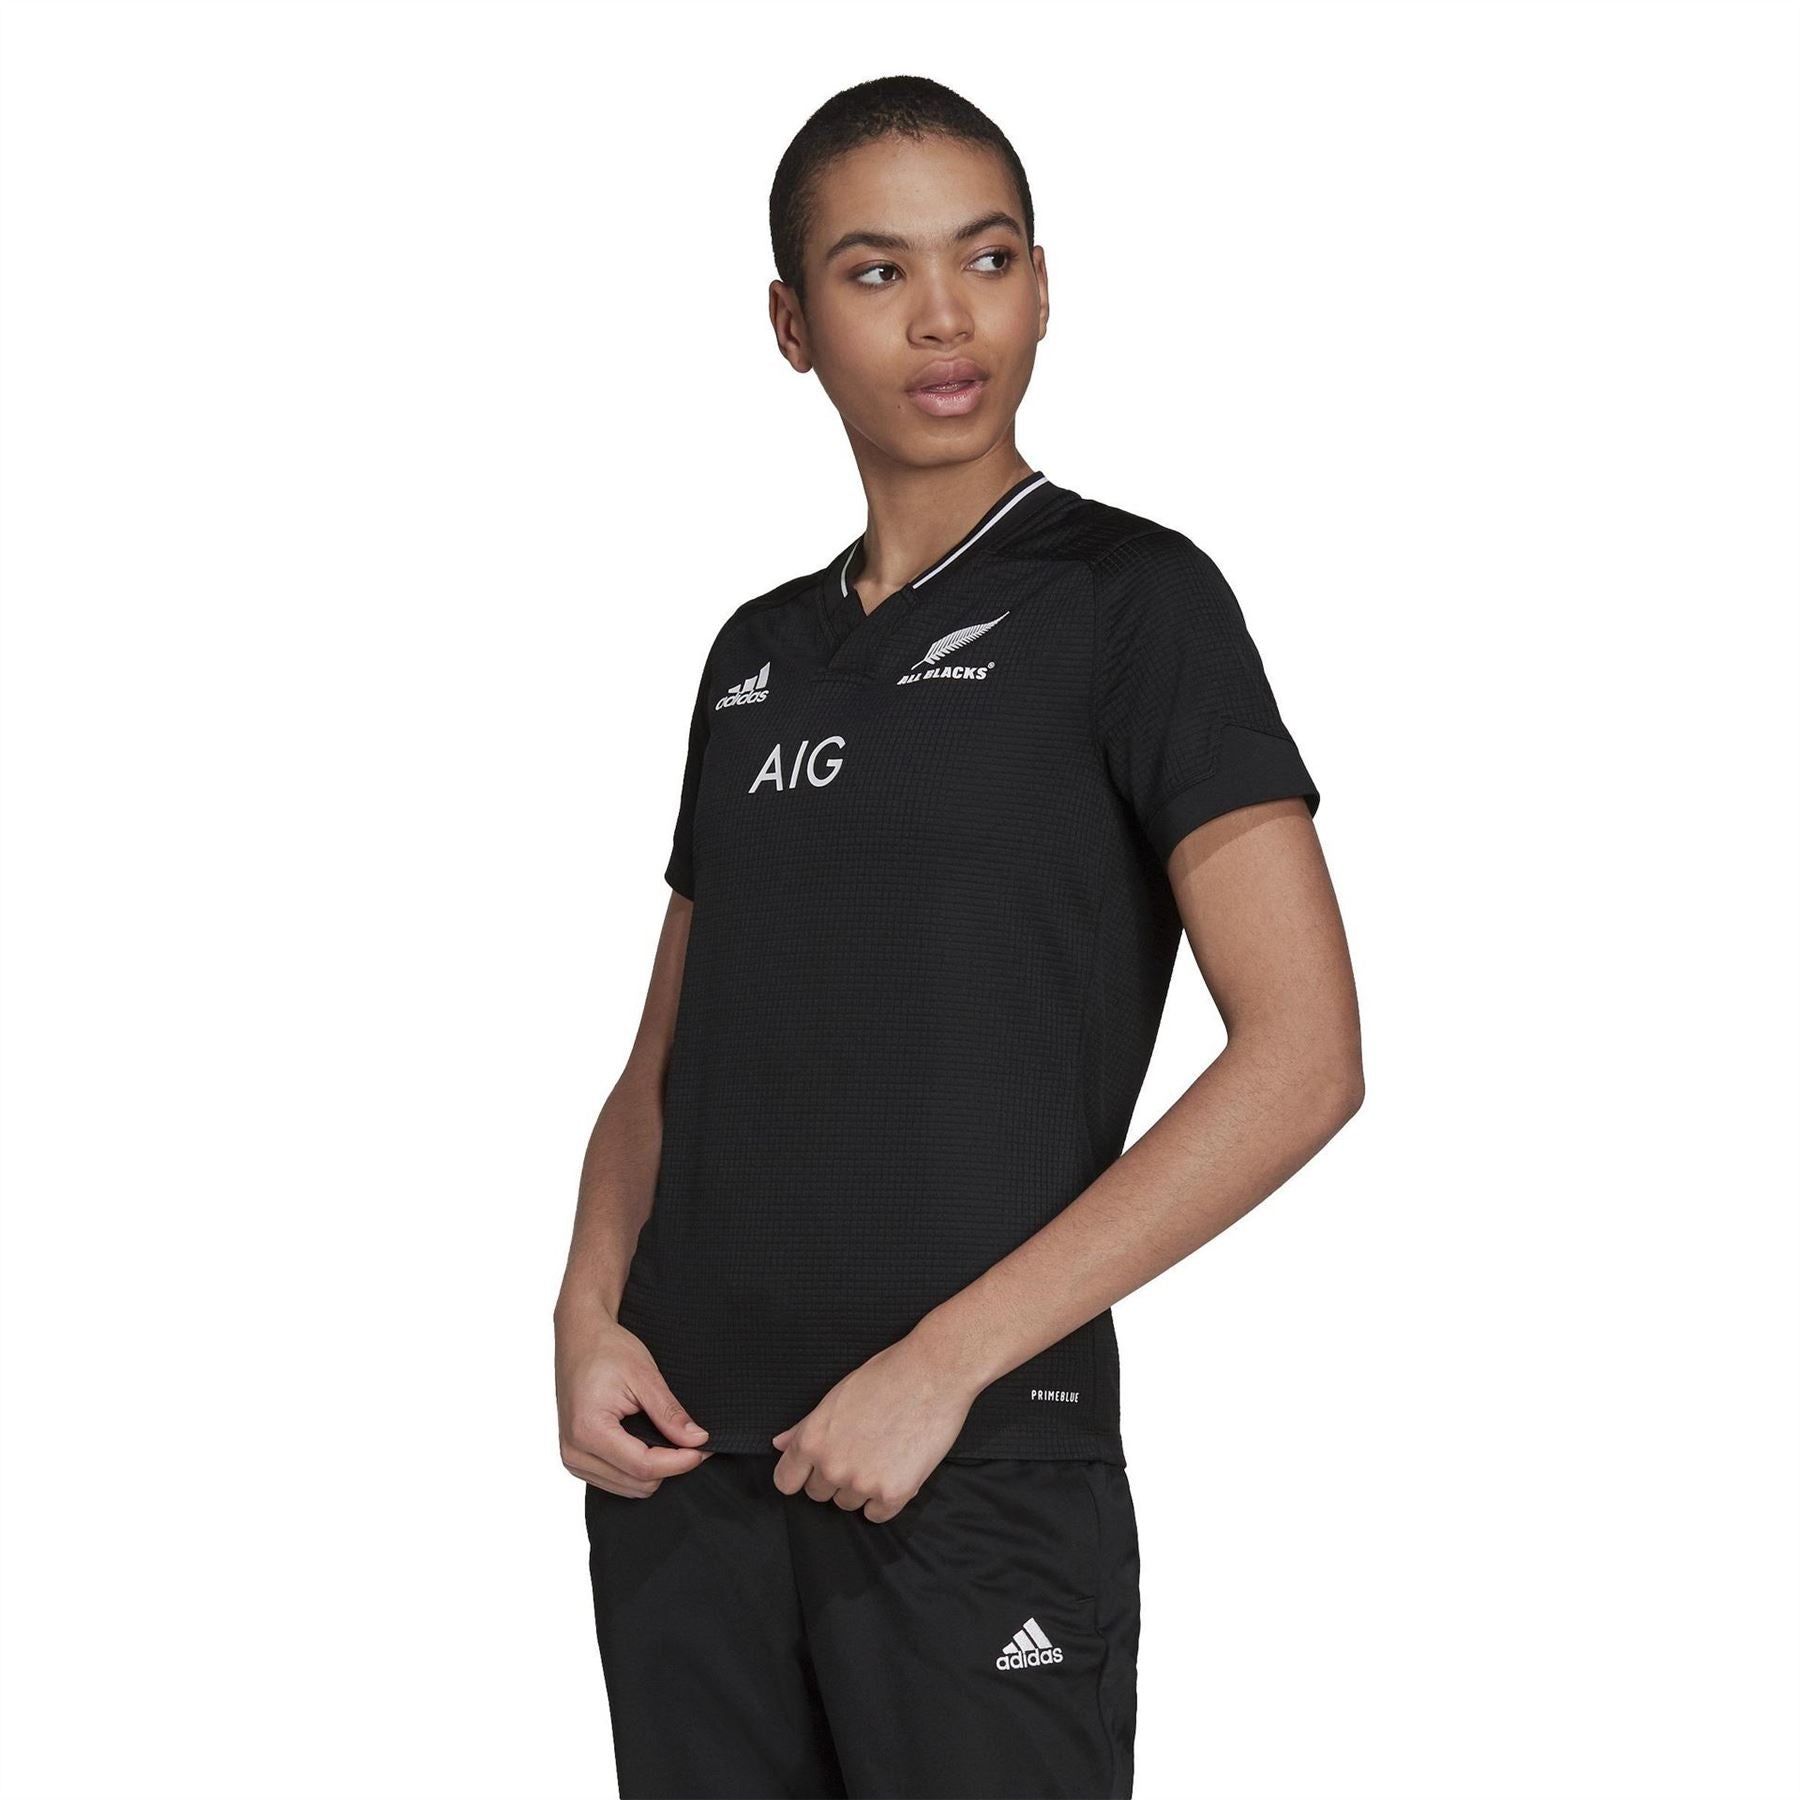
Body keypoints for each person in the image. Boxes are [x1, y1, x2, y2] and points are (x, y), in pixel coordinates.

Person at [553, 73, 1363, 1800]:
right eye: (876, 272)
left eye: (986, 260)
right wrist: (586, 1309)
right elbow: (661, 1074)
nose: (944, 317)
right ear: (791, 323)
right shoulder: (753, 655)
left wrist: (942, 1368)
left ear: (1043, 287)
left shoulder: (1134, 605)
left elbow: (1305, 1060)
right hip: (686, 1481)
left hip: (969, 1470)